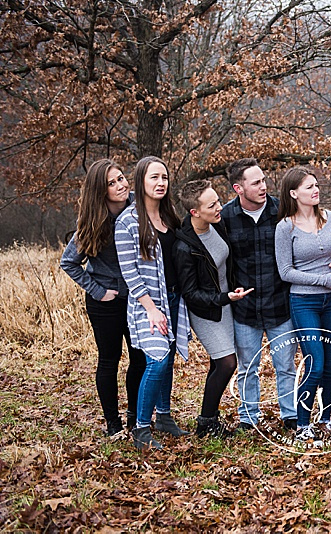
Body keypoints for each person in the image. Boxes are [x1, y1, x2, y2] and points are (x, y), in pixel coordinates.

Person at [60, 159, 146, 437]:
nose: (121, 185)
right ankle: (113, 422)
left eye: (121, 178)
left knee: (140, 358)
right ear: (101, 190)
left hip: (137, 299)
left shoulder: (140, 208)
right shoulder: (92, 221)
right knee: (109, 359)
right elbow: (69, 262)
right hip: (105, 303)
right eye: (112, 182)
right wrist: (97, 290)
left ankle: (135, 417)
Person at [115, 156, 191, 450]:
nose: (161, 183)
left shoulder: (170, 216)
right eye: (154, 178)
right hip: (147, 305)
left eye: (164, 178)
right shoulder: (127, 222)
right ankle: (141, 429)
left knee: (168, 359)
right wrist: (151, 309)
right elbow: (129, 273)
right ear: (140, 182)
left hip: (174, 299)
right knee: (157, 360)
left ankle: (165, 417)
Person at [275, 166, 331, 441]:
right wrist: (323, 280)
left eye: (316, 185)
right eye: (309, 187)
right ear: (294, 193)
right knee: (315, 363)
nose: (315, 190)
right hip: (304, 302)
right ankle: (303, 424)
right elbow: (286, 272)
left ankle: (326, 417)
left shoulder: (330, 218)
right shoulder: (285, 227)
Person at [221, 158, 298, 432]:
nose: (263, 186)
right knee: (247, 367)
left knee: (286, 365)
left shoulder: (282, 210)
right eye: (256, 183)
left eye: (264, 180)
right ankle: (248, 418)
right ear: (238, 188)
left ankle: (290, 415)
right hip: (245, 308)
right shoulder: (225, 217)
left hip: (280, 303)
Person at [174, 180, 253, 438]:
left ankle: (210, 419)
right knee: (227, 363)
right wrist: (223, 297)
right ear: (195, 212)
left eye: (218, 200)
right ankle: (205, 422)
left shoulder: (217, 226)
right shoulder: (184, 246)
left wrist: (231, 292)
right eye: (212, 205)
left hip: (226, 303)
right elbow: (191, 293)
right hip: (206, 311)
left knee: (218, 364)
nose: (220, 207)